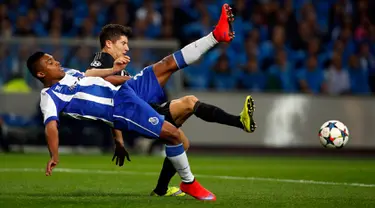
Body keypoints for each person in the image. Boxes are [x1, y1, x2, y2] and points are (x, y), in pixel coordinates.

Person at [27, 4, 251, 201]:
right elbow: (51, 125)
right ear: (40, 74)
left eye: (53, 58)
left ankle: (216, 35)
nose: (55, 61)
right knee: (175, 136)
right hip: (121, 108)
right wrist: (54, 155)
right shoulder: (50, 96)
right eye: (49, 62)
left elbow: (89, 75)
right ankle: (188, 182)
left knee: (166, 64)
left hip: (127, 91)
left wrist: (116, 73)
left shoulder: (67, 71)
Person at [86, 9, 256, 198]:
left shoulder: (113, 63)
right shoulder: (103, 59)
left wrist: (118, 141)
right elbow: (97, 82)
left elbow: (110, 105)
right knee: (167, 64)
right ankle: (215, 36)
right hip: (132, 103)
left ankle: (240, 122)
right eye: (123, 43)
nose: (127, 48)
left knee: (184, 129)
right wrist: (124, 79)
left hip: (138, 106)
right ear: (108, 43)